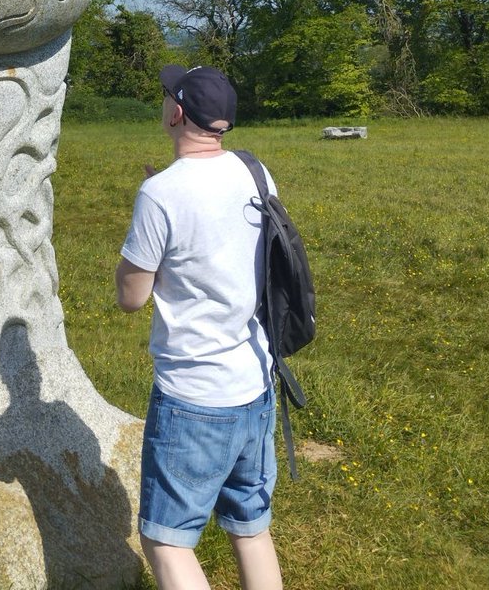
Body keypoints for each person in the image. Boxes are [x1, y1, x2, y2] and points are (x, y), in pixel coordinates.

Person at [115, 65, 283, 590]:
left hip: (194, 395)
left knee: (167, 541)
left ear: (178, 112)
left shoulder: (161, 194)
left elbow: (131, 297)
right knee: (251, 529)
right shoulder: (255, 171)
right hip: (255, 383)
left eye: (166, 96)